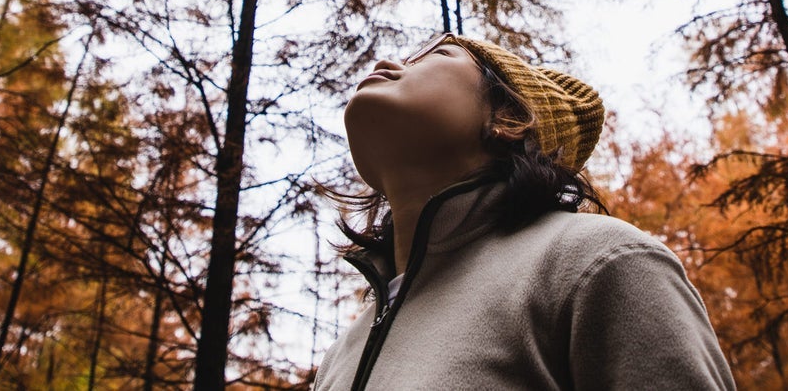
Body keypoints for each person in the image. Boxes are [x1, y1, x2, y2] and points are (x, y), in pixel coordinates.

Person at [314, 33, 735, 390]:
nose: (388, 62)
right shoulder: (339, 357)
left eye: (438, 54)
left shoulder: (595, 263)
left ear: (509, 118)